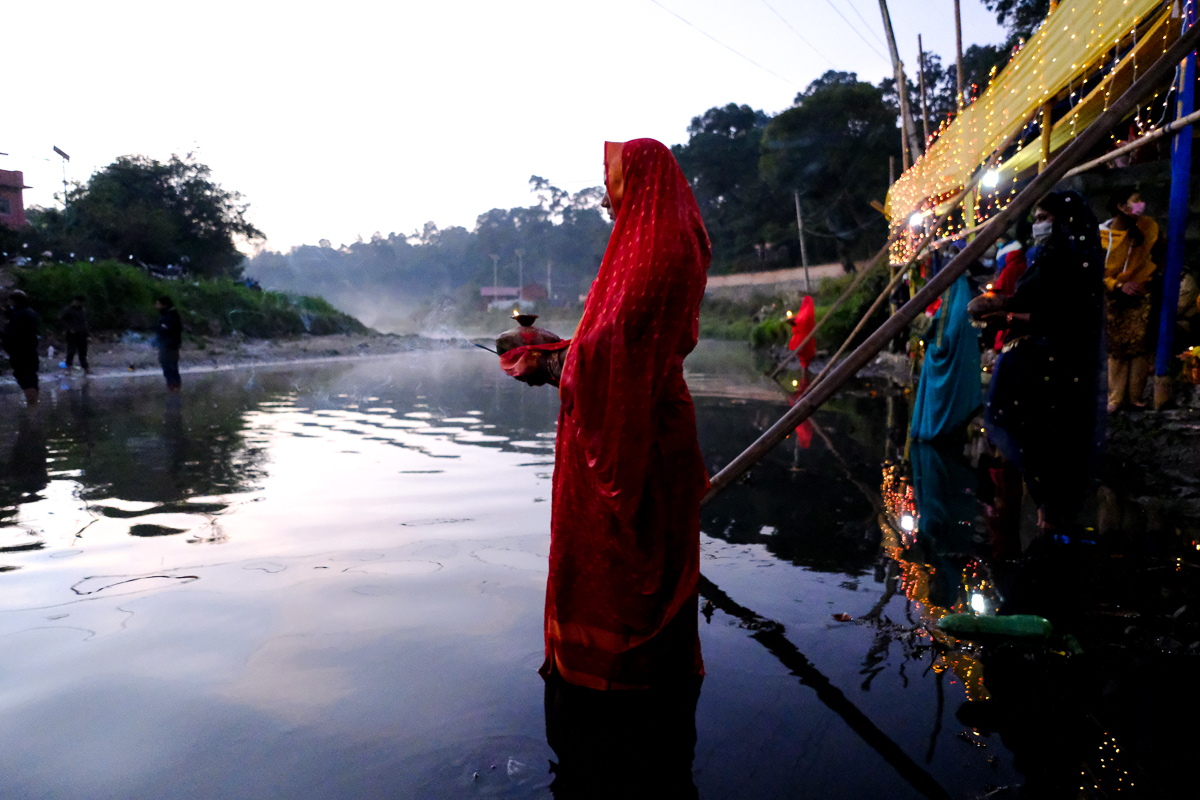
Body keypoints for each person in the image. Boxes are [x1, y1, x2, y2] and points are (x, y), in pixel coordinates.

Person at [500, 138, 710, 691]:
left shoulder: (657, 248)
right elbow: (620, 343)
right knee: (655, 565)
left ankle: (617, 687)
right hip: (653, 422)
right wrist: (558, 347)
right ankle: (648, 684)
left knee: (626, 572)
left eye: (610, 183)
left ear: (641, 181)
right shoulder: (673, 238)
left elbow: (614, 354)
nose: (604, 200)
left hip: (636, 436)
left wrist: (544, 364)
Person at [977, 192, 1104, 530]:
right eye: (1035, 218)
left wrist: (1006, 314)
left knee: (1053, 448)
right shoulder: (1043, 257)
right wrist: (1001, 305)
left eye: (1045, 217)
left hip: (1057, 369)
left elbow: (1063, 316)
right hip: (1031, 367)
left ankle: (1055, 529)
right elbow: (1026, 302)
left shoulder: (1075, 262)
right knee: (1035, 451)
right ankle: (1048, 523)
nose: (1038, 225)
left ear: (1065, 222)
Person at [910, 245, 982, 441]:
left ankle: (938, 431)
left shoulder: (956, 302)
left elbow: (943, 344)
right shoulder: (958, 301)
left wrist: (916, 322)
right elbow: (940, 328)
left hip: (946, 369)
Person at [1099, 188, 1158, 413]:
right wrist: (1119, 285)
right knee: (1117, 348)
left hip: (1141, 294)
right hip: (1113, 296)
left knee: (1140, 347)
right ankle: (1115, 398)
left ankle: (1135, 397)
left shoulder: (1148, 227)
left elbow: (1158, 254)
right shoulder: (1101, 237)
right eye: (1136, 201)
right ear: (1121, 207)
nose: (1141, 204)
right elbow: (1097, 273)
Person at [2, 290, 41, 406]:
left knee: (24, 377)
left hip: (19, 351)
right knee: (32, 377)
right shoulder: (31, 312)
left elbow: (14, 333)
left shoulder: (19, 314)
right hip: (31, 350)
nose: (9, 303)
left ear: (14, 300)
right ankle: (35, 407)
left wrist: (3, 333)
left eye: (10, 301)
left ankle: (31, 407)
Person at [154, 296, 182, 393]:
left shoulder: (169, 317)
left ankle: (173, 388)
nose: (156, 306)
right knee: (172, 367)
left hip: (169, 346)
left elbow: (165, 330)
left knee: (168, 366)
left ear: (164, 305)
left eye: (158, 304)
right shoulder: (172, 315)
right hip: (172, 345)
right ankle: (175, 388)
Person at [59, 295, 90, 375]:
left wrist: (87, 333)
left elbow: (85, 322)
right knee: (71, 352)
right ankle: (68, 368)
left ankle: (86, 368)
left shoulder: (83, 311)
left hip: (82, 334)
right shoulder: (68, 310)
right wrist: (69, 328)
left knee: (83, 352)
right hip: (72, 335)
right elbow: (61, 319)